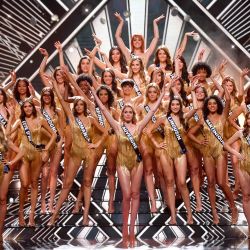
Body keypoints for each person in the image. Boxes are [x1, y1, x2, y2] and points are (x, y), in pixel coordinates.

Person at [90, 82, 165, 247]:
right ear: (122, 114)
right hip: (122, 162)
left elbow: (152, 110)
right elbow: (103, 110)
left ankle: (132, 229)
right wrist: (94, 94)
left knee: (136, 194)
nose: (128, 113)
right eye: (126, 111)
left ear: (133, 114)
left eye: (131, 111)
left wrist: (163, 93)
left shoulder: (139, 126)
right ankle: (125, 227)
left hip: (137, 163)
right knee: (126, 195)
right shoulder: (117, 127)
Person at [188, 85, 238, 224]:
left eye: (214, 103)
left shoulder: (222, 116)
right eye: (209, 104)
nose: (212, 105)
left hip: (220, 151)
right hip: (207, 152)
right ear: (207, 106)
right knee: (210, 182)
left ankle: (233, 208)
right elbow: (190, 133)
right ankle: (214, 213)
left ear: (218, 105)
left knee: (221, 182)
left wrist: (223, 84)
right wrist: (199, 141)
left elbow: (227, 100)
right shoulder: (203, 120)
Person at [6, 100, 56, 226]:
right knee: (24, 184)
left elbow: (54, 135)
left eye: (29, 106)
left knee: (34, 183)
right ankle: (21, 212)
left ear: (33, 108)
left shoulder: (41, 120)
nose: (28, 108)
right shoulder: (19, 121)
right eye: (25, 107)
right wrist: (11, 116)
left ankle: (32, 215)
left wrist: (46, 149)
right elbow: (6, 135)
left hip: (37, 155)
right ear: (23, 109)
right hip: (24, 155)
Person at [224, 112, 250, 238]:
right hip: (244, 167)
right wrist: (237, 154)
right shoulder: (241, 132)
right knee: (246, 196)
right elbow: (225, 145)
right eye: (249, 118)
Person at [39, 87, 64, 213]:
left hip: (56, 145)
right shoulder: (38, 111)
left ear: (52, 96)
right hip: (43, 145)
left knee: (54, 174)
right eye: (45, 95)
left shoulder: (58, 111)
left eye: (49, 95)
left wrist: (60, 143)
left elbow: (62, 129)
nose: (47, 96)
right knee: (44, 175)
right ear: (42, 96)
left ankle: (51, 203)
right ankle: (43, 202)